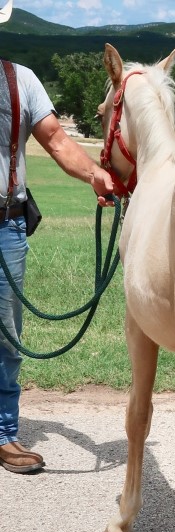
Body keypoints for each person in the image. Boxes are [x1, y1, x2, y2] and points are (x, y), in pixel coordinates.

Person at [0, 0, 114, 473]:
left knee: (6, 336)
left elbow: (58, 142)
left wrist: (95, 175)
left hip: (6, 223)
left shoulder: (20, 80)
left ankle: (4, 433)